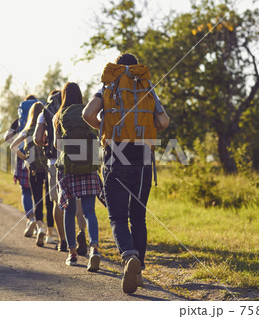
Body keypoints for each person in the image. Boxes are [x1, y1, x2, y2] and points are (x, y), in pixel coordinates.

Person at [83, 53, 170, 293]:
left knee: (117, 217)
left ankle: (128, 256)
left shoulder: (108, 85)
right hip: (143, 155)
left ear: (117, 66)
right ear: (137, 66)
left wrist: (104, 126)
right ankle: (138, 268)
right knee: (138, 217)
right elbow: (163, 122)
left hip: (116, 154)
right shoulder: (146, 85)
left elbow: (88, 114)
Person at [54, 82, 103, 271]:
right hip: (89, 167)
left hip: (69, 169)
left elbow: (58, 146)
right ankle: (95, 249)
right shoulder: (88, 113)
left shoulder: (59, 116)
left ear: (64, 96)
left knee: (69, 210)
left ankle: (72, 254)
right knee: (90, 211)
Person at [34, 90, 88, 255]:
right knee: (79, 201)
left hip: (55, 162)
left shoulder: (45, 113)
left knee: (59, 203)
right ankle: (82, 235)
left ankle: (64, 241)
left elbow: (37, 139)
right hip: (81, 159)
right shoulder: (81, 110)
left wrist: (44, 139)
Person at [11, 101, 54, 247]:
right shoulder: (47, 129)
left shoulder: (27, 130)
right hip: (48, 168)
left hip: (34, 168)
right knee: (49, 200)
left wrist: (25, 157)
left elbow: (13, 146)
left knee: (37, 199)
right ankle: (50, 234)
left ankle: (40, 226)